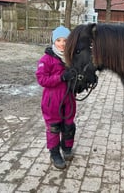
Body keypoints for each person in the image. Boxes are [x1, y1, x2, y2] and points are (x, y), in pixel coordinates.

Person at [36, 26, 76, 169]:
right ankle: (55, 154)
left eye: (65, 40)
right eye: (59, 40)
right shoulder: (46, 59)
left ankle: (67, 148)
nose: (62, 43)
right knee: (54, 127)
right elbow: (42, 79)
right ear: (54, 41)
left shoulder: (71, 58)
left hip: (69, 98)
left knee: (69, 125)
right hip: (52, 100)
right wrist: (61, 77)